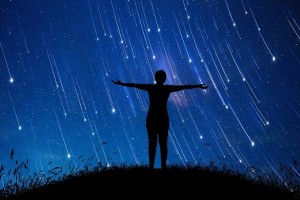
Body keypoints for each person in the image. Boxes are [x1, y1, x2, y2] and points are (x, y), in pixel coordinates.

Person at [112, 70, 208, 169]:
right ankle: (163, 166)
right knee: (162, 143)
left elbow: (135, 85)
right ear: (164, 78)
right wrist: (197, 86)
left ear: (156, 78)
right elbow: (183, 87)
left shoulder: (151, 87)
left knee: (152, 143)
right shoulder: (166, 88)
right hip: (162, 118)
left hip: (152, 118)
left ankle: (152, 167)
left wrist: (122, 84)